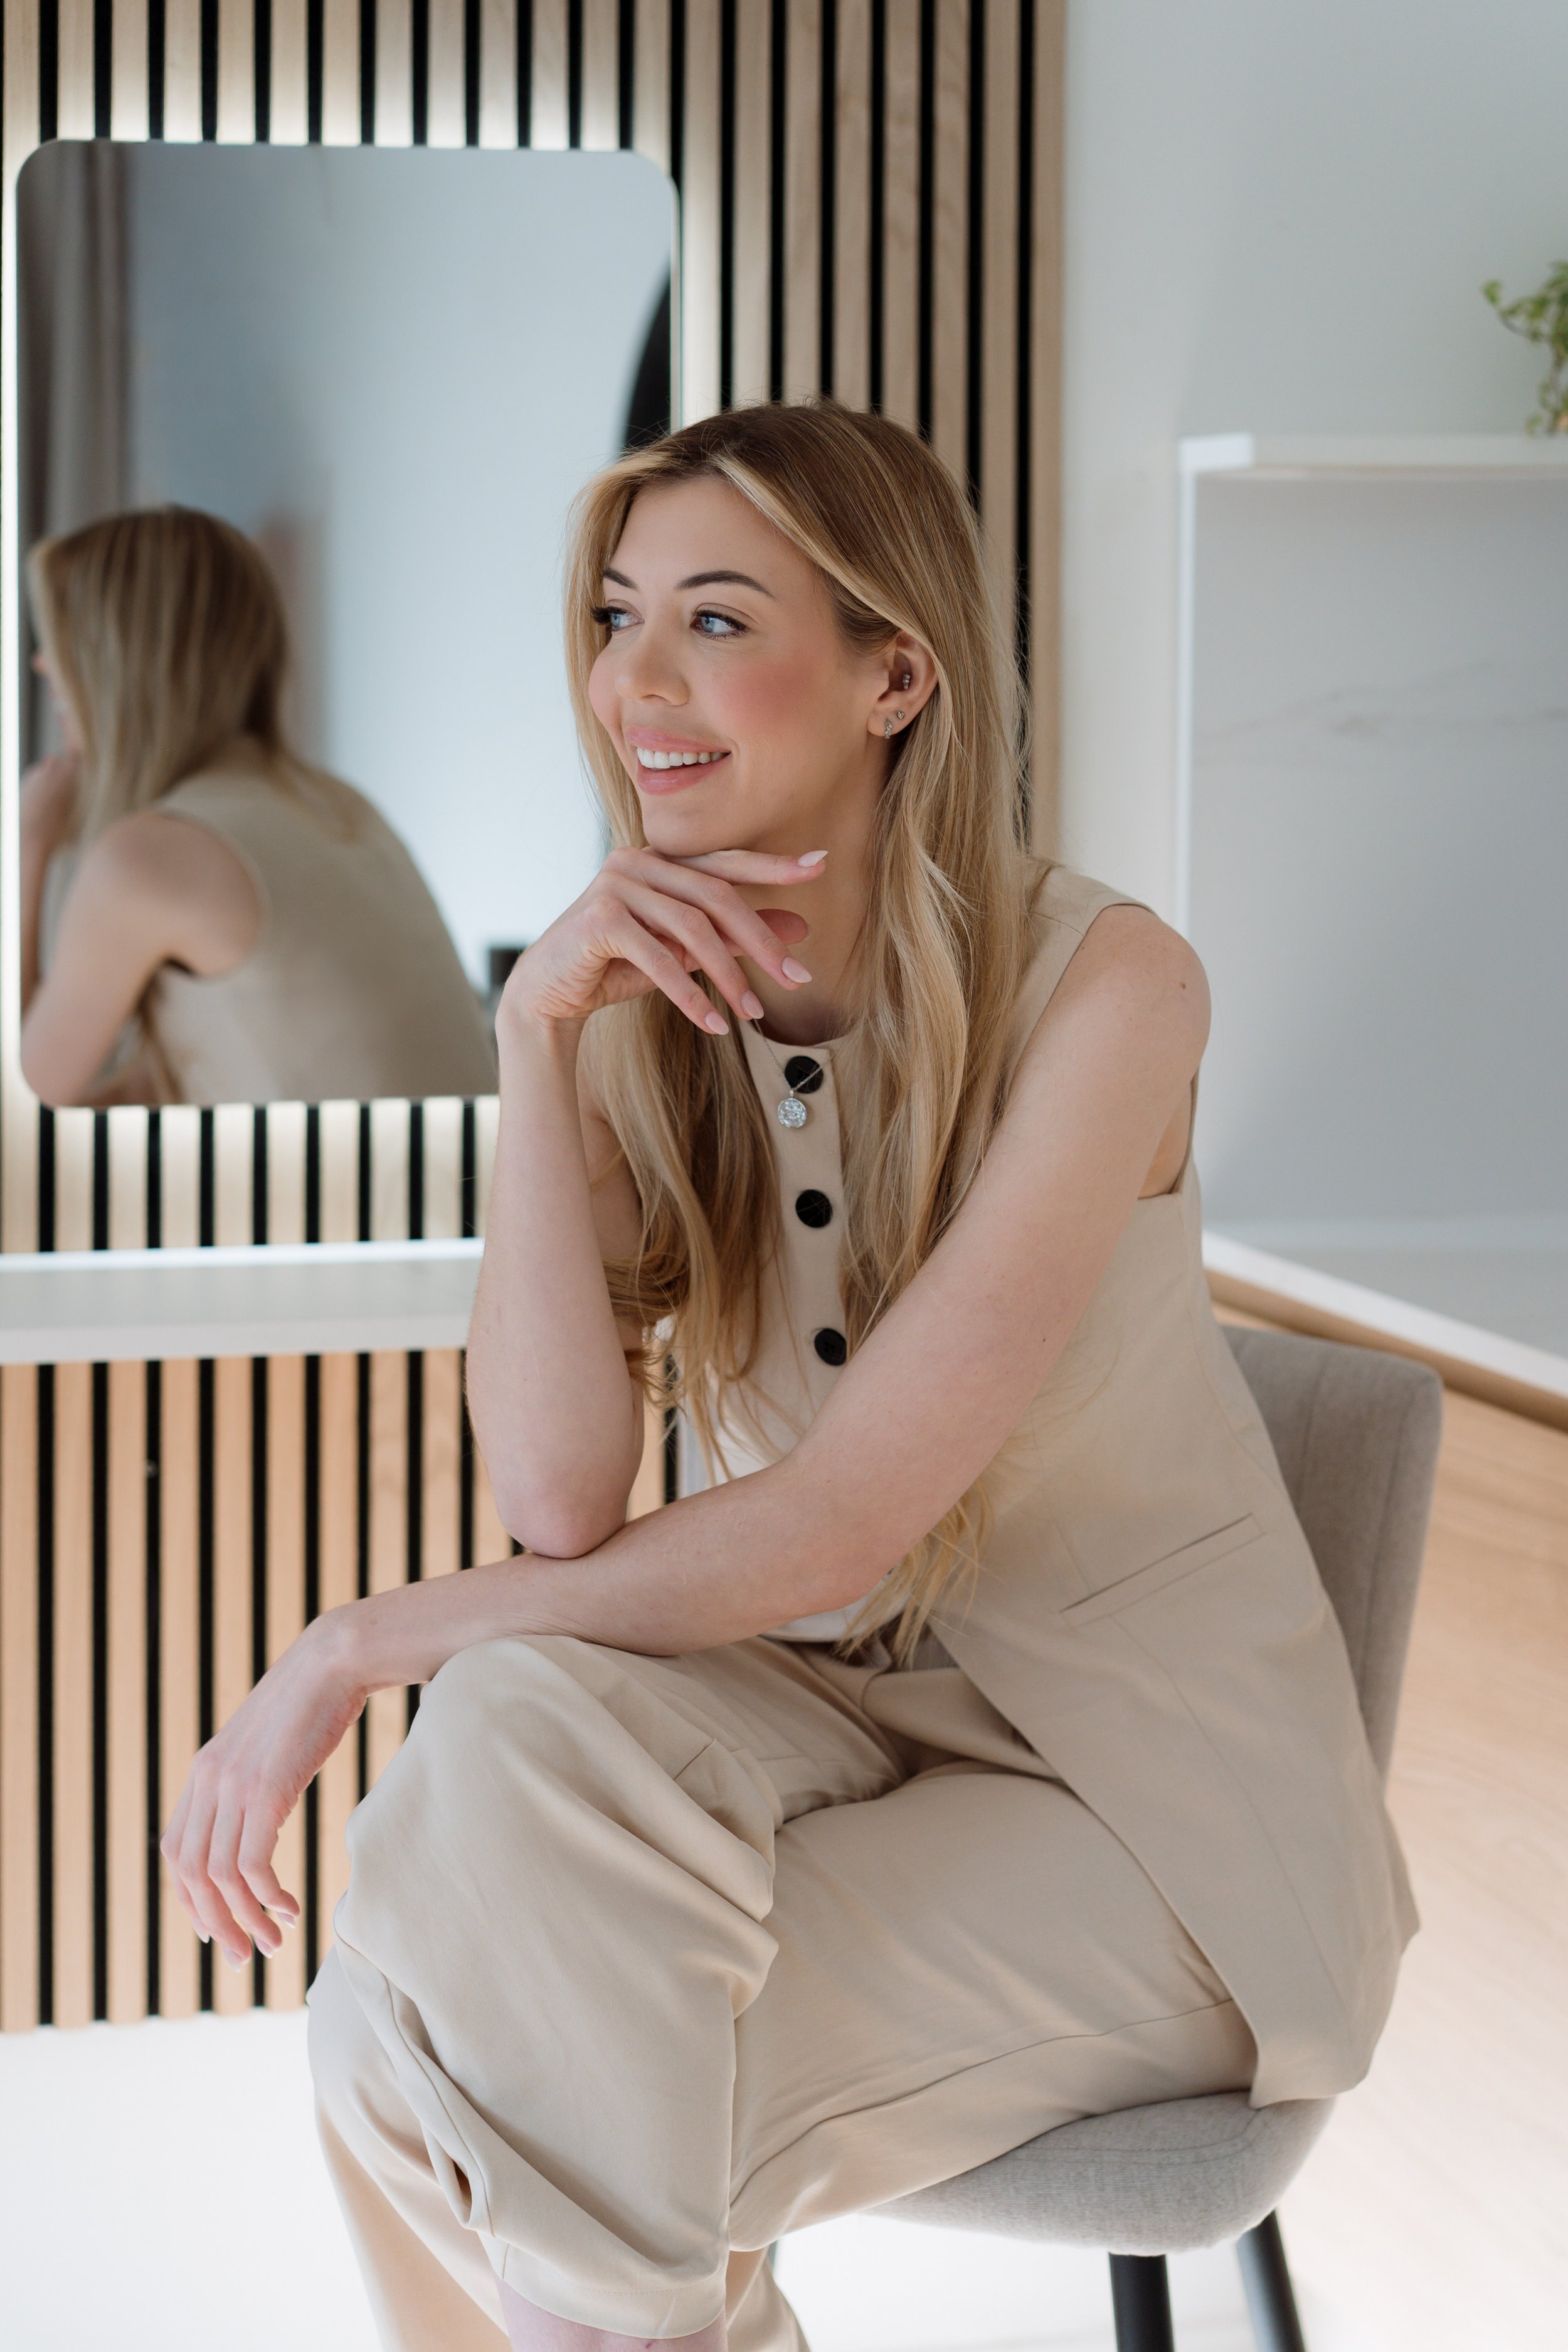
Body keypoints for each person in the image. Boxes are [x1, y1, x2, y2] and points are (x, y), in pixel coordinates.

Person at [162, 403, 1415, 2352]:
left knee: (437, 2060)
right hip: (825, 1728)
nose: (633, 681)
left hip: (1156, 1830)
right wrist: (532, 1046)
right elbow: (560, 1505)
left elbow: (843, 1513)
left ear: (891, 670)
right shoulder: (628, 1008)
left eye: (714, 620)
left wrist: (350, 1638)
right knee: (502, 1761)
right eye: (613, 613)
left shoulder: (1109, 988)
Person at [20, 506, 497, 1107]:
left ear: (110, 665)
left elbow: (16, 1104)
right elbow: (209, 1066)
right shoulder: (333, 803)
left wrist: (24, 851)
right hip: (458, 1188)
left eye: (58, 643)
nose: (42, 665)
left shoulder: (146, 857)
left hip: (352, 1198)